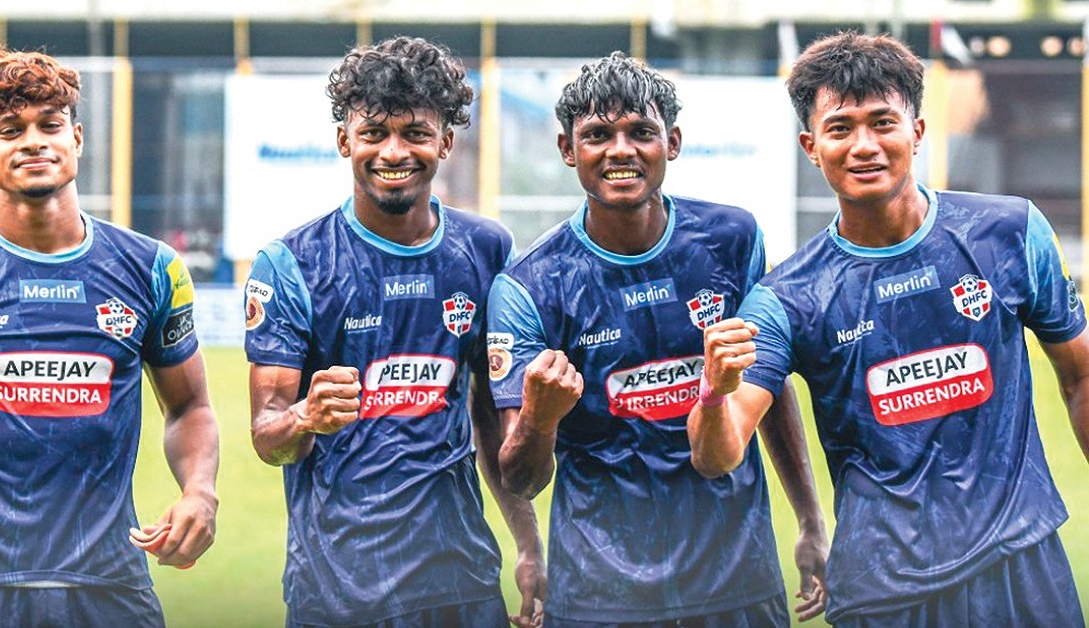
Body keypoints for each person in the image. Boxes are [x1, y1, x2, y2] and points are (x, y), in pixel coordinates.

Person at [689, 31, 1089, 627]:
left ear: (917, 132)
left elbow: (1080, 375)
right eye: (840, 128)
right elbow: (715, 456)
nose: (864, 145)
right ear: (811, 146)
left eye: (882, 122)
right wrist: (713, 392)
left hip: (1022, 566)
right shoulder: (787, 298)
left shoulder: (1009, 232)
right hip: (885, 593)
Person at [488, 51, 830, 626]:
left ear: (671, 142)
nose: (620, 150)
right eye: (598, 135)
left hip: (737, 584)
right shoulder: (530, 286)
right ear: (568, 149)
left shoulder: (731, 238)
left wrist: (811, 520)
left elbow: (765, 386)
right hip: (600, 597)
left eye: (640, 132)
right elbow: (520, 477)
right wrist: (539, 420)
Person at [0, 43, 219, 627]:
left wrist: (199, 491)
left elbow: (189, 406)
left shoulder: (152, 268)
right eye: (9, 130)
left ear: (77, 138)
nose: (34, 142)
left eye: (50, 124)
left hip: (110, 582)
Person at [245, 36, 545, 627]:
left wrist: (530, 546)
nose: (393, 151)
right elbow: (267, 438)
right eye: (375, 132)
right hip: (336, 594)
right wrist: (305, 417)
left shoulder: (487, 250)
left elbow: (491, 414)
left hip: (460, 585)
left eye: (415, 133)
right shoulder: (291, 264)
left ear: (446, 142)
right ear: (344, 141)